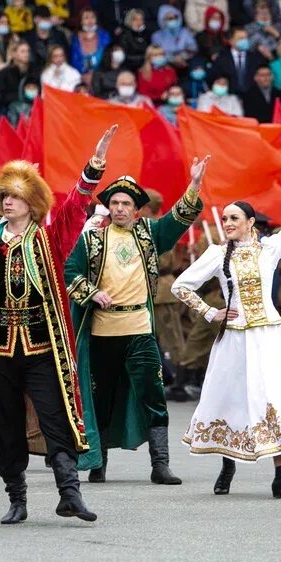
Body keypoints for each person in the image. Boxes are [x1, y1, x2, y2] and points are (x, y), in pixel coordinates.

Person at [0, 127, 119, 524]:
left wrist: (95, 163)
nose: (7, 202)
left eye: (15, 197)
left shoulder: (50, 239)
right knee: (7, 425)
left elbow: (75, 205)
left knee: (57, 418)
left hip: (41, 348)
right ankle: (16, 499)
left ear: (32, 203)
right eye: (4, 196)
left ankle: (69, 494)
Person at [175, 155, 281, 500]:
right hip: (233, 340)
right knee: (230, 400)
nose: (227, 223)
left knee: (277, 399)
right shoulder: (215, 253)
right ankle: (227, 466)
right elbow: (181, 285)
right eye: (224, 218)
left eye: (234, 218)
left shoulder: (268, 249)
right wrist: (212, 312)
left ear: (251, 222)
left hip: (267, 336)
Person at [67, 164, 206, 485]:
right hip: (103, 331)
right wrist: (91, 293)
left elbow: (178, 219)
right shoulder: (92, 239)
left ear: (136, 209)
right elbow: (70, 272)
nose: (119, 209)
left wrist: (194, 185)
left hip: (140, 329)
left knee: (154, 395)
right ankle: (98, 463)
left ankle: (160, 465)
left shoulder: (149, 235)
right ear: (108, 207)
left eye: (125, 204)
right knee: (102, 399)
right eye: (114, 203)